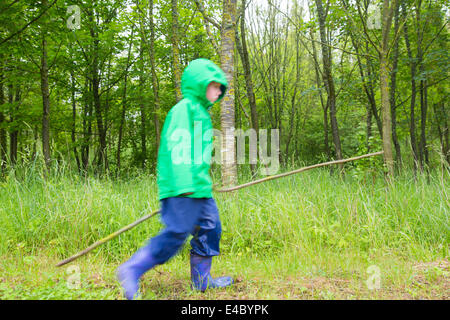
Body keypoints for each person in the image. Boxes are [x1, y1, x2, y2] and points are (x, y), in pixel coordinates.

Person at [117, 58, 234, 300]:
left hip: (199, 189)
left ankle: (202, 280)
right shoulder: (185, 108)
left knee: (211, 228)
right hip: (183, 188)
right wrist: (185, 184)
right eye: (213, 86)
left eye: (220, 88)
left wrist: (202, 181)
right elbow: (176, 145)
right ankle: (132, 269)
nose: (218, 91)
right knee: (177, 233)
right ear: (198, 84)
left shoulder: (202, 113)